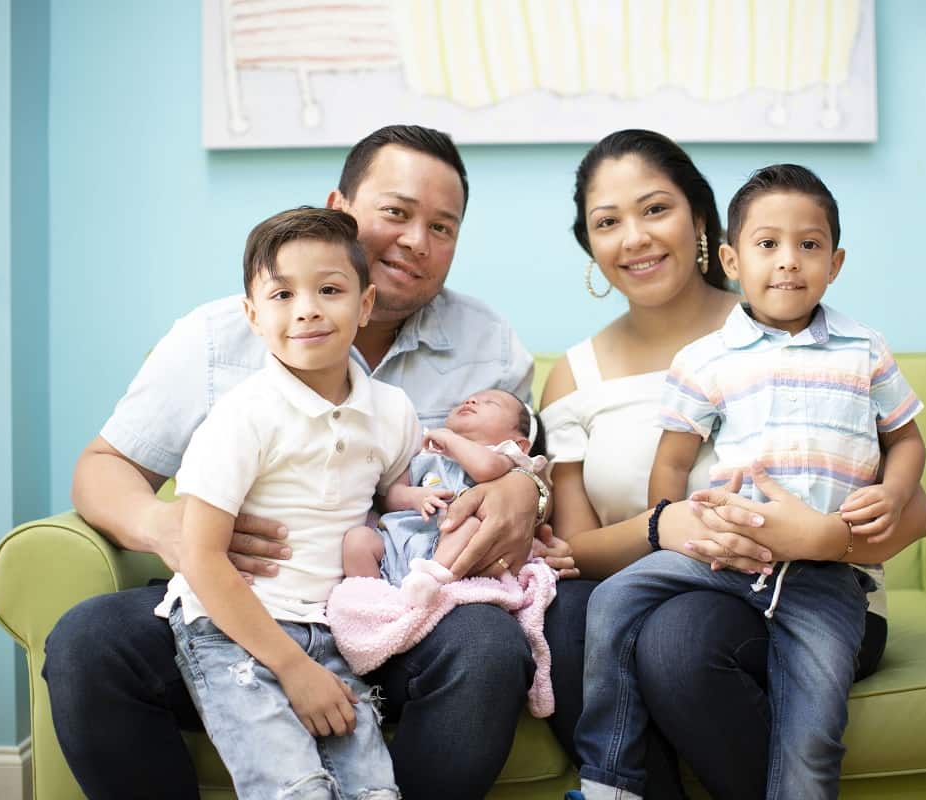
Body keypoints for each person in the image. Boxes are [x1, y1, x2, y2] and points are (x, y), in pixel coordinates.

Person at [46, 124, 574, 800]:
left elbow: (520, 464)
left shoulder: (488, 343)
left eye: (443, 228)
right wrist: (166, 527)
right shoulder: (217, 338)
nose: (417, 240)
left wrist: (523, 494)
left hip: (392, 610)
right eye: (396, 212)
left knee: (488, 647)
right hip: (247, 601)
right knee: (89, 642)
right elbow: (102, 466)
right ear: (341, 206)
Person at [540, 130, 926, 799]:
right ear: (589, 243)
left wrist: (828, 538)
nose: (634, 237)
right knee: (589, 619)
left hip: (815, 587)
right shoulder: (575, 376)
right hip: (683, 576)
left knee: (677, 644)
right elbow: (573, 550)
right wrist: (665, 526)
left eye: (654, 209)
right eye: (608, 222)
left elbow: (912, 502)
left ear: (701, 220)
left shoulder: (806, 335)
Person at [159, 207, 413, 799]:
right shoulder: (242, 418)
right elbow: (200, 557)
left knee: (373, 792)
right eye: (282, 294)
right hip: (232, 626)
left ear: (366, 304)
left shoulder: (392, 411)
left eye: (329, 289)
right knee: (294, 788)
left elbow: (395, 497)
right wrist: (294, 669)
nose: (307, 309)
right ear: (252, 314)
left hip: (335, 625)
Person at [343, 388, 548, 603]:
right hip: (400, 542)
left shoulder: (503, 457)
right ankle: (373, 605)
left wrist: (449, 438)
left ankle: (428, 578)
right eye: (470, 398)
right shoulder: (427, 453)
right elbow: (390, 496)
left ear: (519, 444)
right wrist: (414, 497)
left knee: (469, 525)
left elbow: (486, 467)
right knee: (357, 540)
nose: (472, 400)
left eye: (490, 403)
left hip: (446, 547)